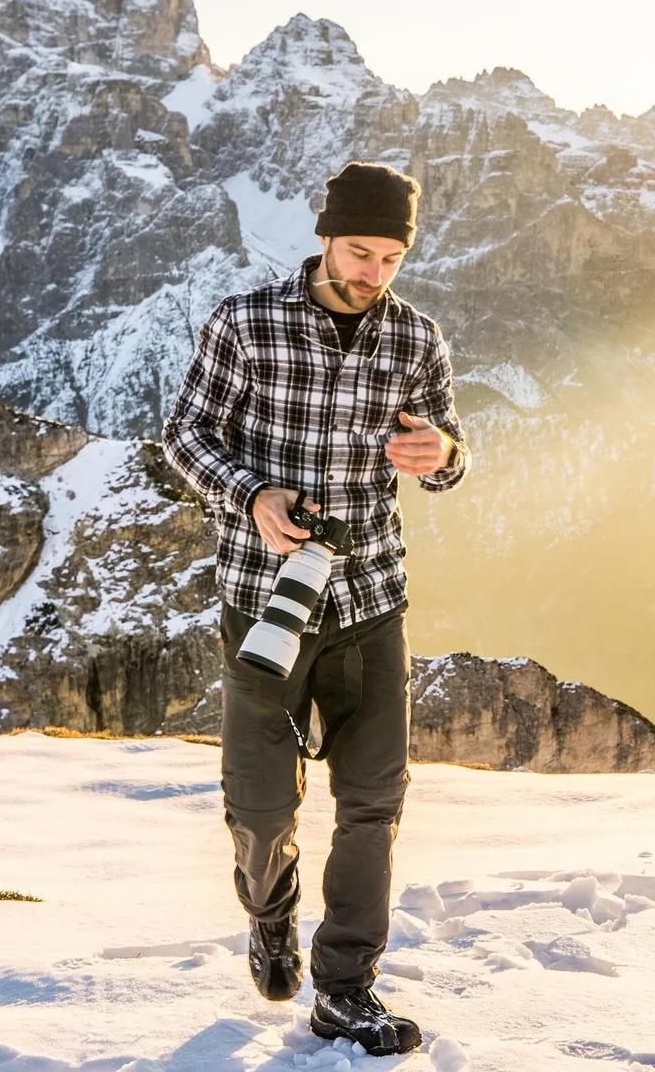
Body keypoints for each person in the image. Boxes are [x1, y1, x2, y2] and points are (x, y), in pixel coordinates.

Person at [161, 161, 471, 1056]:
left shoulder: (416, 337)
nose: (375, 272)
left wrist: (444, 453)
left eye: (392, 258)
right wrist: (253, 493)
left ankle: (346, 989)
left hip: (371, 599)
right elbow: (185, 435)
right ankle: (270, 908)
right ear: (325, 238)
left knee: (374, 801)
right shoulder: (247, 322)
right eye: (360, 252)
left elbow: (445, 454)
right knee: (261, 810)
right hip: (264, 605)